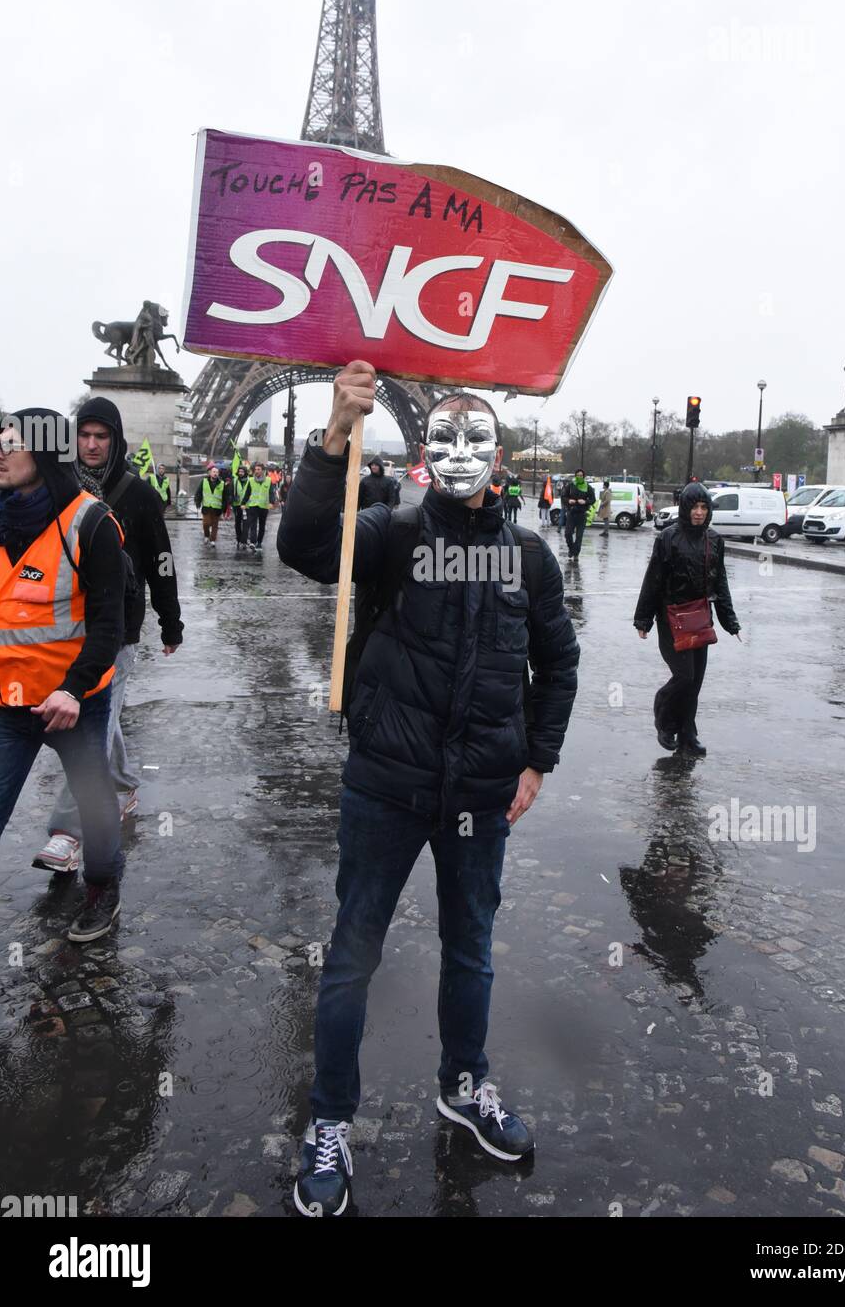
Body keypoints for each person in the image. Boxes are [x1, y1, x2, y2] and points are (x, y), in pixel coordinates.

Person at [278, 362, 580, 1218]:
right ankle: (329, 1119)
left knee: (470, 950)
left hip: (482, 792)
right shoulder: (394, 534)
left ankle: (463, 1082)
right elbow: (303, 546)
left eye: (475, 437)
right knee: (351, 958)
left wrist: (537, 761)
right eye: (443, 437)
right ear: (420, 453)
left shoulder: (530, 558)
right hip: (387, 783)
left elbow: (557, 664)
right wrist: (334, 435)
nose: (459, 451)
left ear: (501, 453)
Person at [32, 397, 184, 874]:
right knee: (105, 717)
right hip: (63, 628)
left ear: (115, 441)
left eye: (102, 437)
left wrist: (170, 619)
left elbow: (161, 560)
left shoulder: (137, 494)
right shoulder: (55, 488)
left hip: (116, 629)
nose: (92, 445)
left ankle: (67, 833)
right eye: (85, 435)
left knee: (89, 726)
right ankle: (121, 784)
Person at [0, 408, 126, 941]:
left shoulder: (91, 522)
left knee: (94, 812)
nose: (1, 452)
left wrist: (73, 689)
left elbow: (108, 621)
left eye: (13, 443)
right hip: (8, 702)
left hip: (73, 702)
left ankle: (102, 888)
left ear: (47, 453)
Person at [633, 481, 740, 754]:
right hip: (671, 618)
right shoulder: (668, 537)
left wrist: (730, 622)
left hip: (700, 618)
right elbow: (654, 578)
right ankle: (664, 714)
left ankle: (687, 737)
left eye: (704, 507)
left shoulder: (714, 540)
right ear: (685, 507)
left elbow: (721, 583)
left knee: (695, 682)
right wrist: (643, 619)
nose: (699, 512)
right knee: (684, 676)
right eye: (694, 506)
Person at [563, 469, 595, 559]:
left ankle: (576, 554)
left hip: (582, 514)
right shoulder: (571, 485)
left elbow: (593, 499)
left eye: (581, 475)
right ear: (575, 476)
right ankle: (571, 549)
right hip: (572, 513)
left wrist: (585, 502)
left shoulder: (588, 487)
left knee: (579, 536)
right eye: (578, 475)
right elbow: (564, 497)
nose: (580, 477)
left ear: (583, 476)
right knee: (568, 533)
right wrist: (569, 500)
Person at [243, 461, 274, 550]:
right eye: (255, 469)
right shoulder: (251, 480)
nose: (256, 471)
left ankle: (259, 542)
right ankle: (253, 542)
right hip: (253, 505)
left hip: (264, 506)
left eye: (258, 469)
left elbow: (271, 492)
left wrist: (271, 502)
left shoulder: (268, 480)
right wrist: (243, 503)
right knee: (253, 524)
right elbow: (247, 493)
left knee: (262, 525)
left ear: (263, 471)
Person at [194, 465, 228, 545]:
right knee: (206, 523)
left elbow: (225, 497)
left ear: (218, 474)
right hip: (206, 506)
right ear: (210, 473)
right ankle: (206, 535)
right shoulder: (204, 481)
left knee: (215, 525)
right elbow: (198, 492)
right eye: (214, 472)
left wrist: (224, 509)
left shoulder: (222, 483)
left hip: (217, 508)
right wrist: (197, 502)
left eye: (216, 472)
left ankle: (212, 540)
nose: (215, 473)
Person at [232, 464, 250, 548]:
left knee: (246, 524)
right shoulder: (235, 480)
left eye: (242, 471)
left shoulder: (250, 480)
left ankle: (244, 541)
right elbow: (231, 491)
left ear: (245, 472)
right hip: (237, 505)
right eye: (239, 471)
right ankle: (239, 540)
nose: (240, 473)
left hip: (247, 505)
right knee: (238, 524)